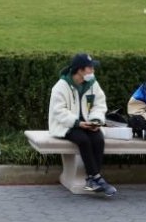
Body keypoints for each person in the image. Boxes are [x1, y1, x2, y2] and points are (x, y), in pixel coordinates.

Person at [48, 53, 117, 197]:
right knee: (83, 140)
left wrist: (96, 120)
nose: (93, 71)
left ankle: (92, 179)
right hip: (66, 126)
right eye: (90, 68)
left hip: (87, 123)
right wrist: (78, 123)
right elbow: (59, 112)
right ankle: (96, 178)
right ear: (79, 70)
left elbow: (100, 105)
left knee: (98, 139)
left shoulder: (93, 84)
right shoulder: (60, 86)